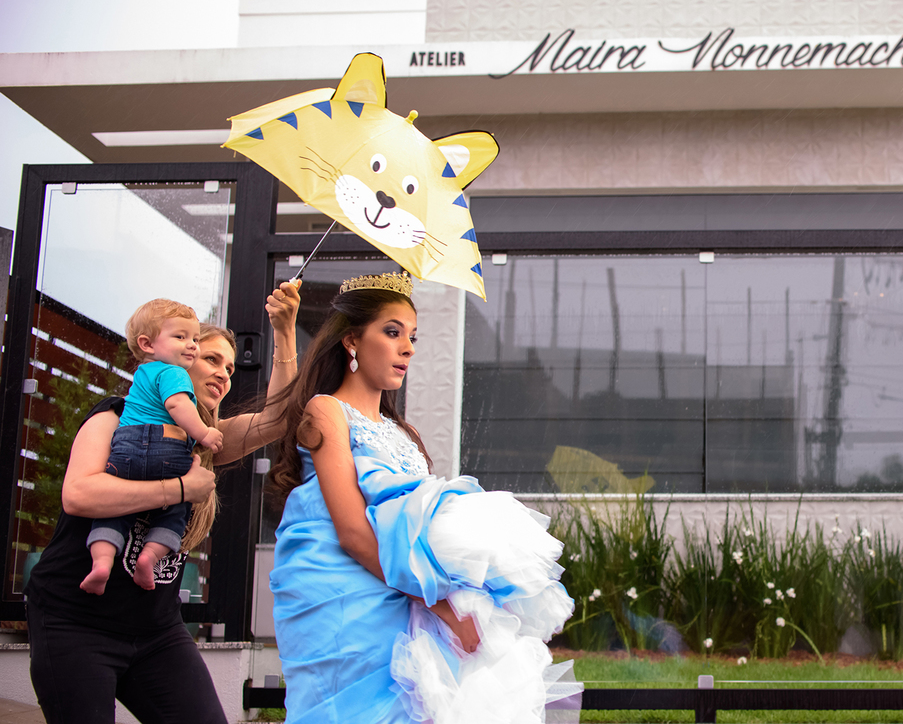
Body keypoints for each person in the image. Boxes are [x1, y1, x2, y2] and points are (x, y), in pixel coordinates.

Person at [269, 272, 580, 724]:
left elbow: (418, 526)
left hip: (404, 604)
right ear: (352, 341)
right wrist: (444, 609)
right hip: (348, 603)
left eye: (412, 336)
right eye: (392, 332)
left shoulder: (404, 433)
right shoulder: (325, 410)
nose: (407, 348)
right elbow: (354, 533)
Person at [25, 281, 302, 724]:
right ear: (173, 362)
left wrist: (285, 331)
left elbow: (278, 418)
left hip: (156, 629)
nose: (223, 374)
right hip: (74, 621)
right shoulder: (114, 418)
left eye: (229, 367)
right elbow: (79, 495)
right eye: (210, 359)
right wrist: (178, 491)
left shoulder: (209, 444)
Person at [83, 299, 224, 595]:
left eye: (195, 339)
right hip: (166, 449)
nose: (192, 345)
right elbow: (177, 405)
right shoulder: (174, 373)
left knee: (112, 511)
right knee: (175, 511)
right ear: (146, 343)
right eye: (181, 337)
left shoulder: (142, 375)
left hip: (126, 449)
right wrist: (204, 433)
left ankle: (102, 563)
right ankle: (149, 557)